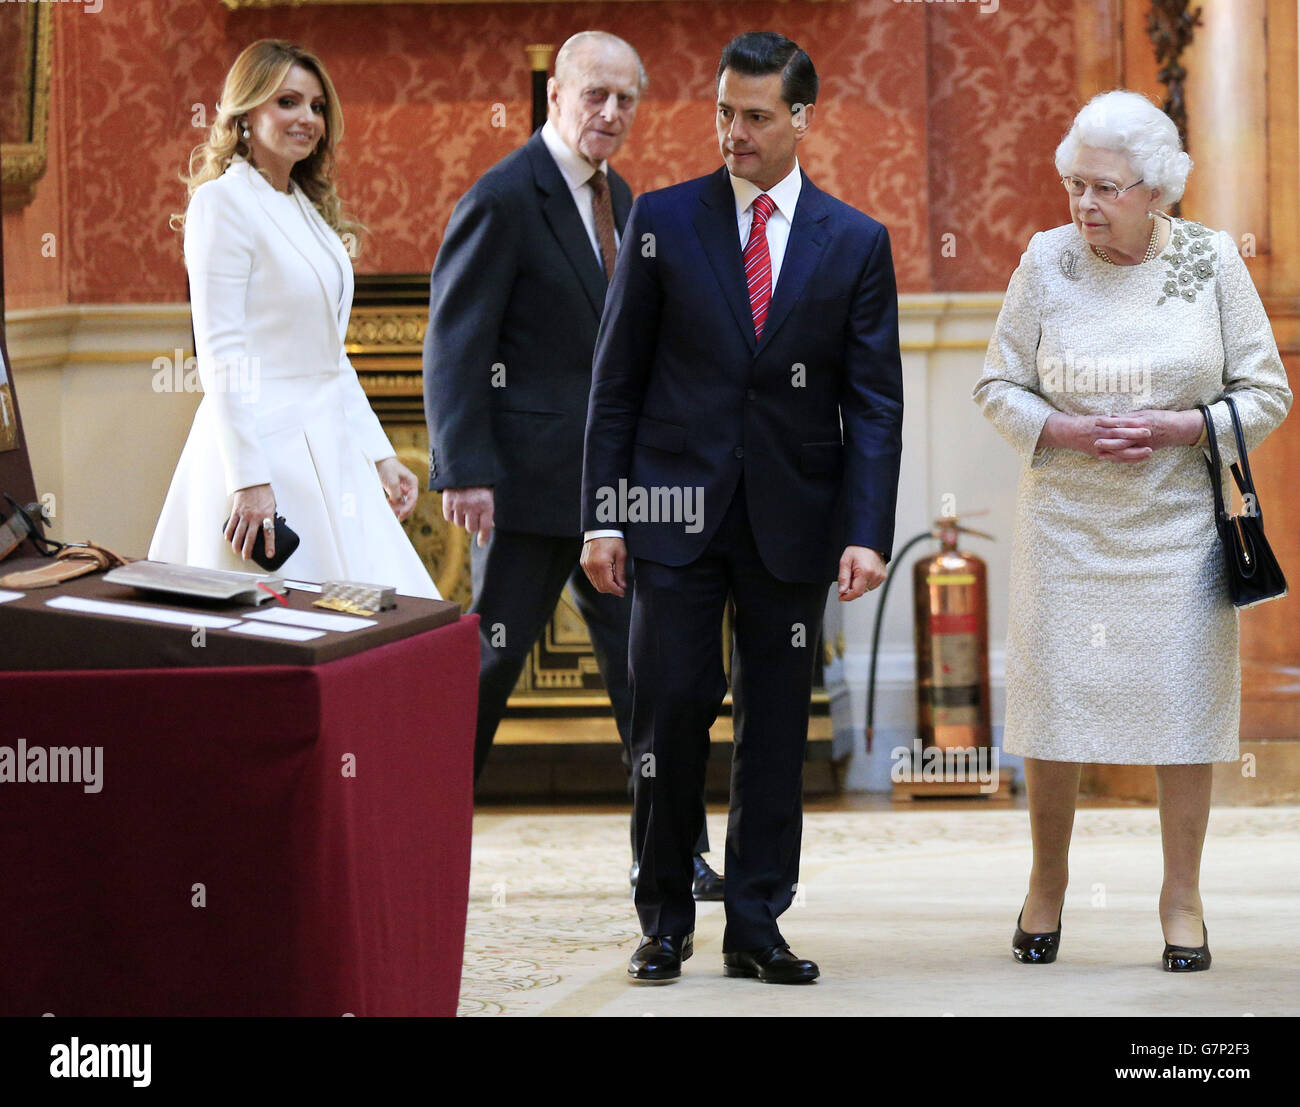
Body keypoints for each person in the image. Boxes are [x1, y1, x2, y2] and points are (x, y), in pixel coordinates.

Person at [582, 31, 904, 984]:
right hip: (670, 508)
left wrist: (865, 529)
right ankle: (665, 910)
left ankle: (757, 919)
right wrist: (604, 513)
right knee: (670, 705)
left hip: (794, 520)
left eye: (756, 116)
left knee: (776, 721)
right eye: (724, 112)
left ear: (801, 118)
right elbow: (616, 382)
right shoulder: (662, 221)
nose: (735, 133)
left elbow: (875, 402)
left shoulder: (856, 241)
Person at [973, 89, 1291, 971]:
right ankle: (1047, 886)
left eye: (1105, 188)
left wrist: (1180, 427)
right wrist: (1069, 429)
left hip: (1180, 531)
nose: (1084, 206)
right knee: (1056, 711)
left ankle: (1181, 897)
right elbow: (997, 385)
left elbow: (1268, 391)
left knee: (1184, 710)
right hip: (1068, 530)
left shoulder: (1211, 260)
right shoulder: (1045, 261)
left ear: (1155, 191)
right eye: (1075, 184)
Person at [424, 31, 722, 897]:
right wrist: (465, 468)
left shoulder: (619, 197)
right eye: (596, 94)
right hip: (520, 488)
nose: (612, 113)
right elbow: (455, 343)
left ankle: (670, 852)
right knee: (489, 666)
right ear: (556, 94)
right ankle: (425, 834)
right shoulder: (504, 197)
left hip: (612, 492)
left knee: (649, 671)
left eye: (627, 98)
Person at [151, 40, 438, 599]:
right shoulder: (222, 203)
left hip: (330, 449)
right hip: (263, 456)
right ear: (246, 113)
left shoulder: (305, 208)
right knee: (278, 628)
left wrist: (379, 456)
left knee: (371, 620)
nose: (307, 118)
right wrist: (249, 481)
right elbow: (221, 352)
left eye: (316, 106)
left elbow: (329, 360)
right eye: (287, 102)